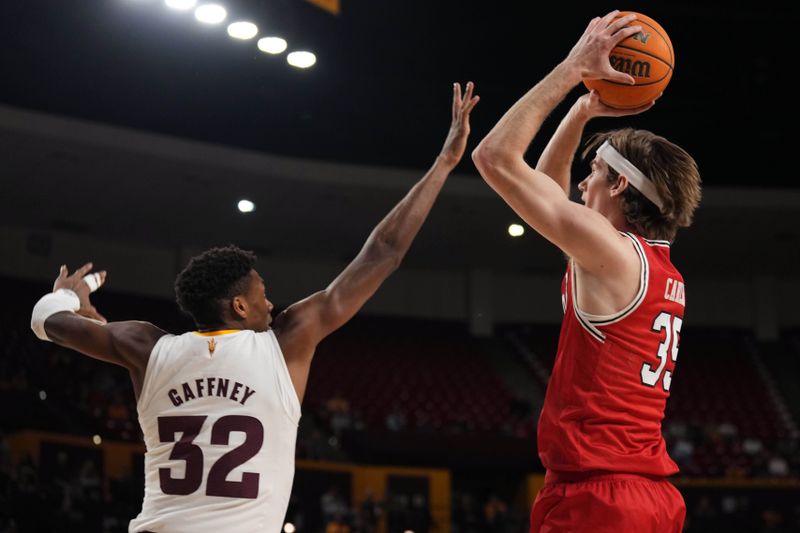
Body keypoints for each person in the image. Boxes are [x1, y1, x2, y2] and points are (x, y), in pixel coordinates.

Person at [30, 82, 479, 533]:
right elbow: (383, 251)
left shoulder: (145, 346)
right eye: (262, 292)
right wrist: (444, 163)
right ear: (240, 305)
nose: (271, 301)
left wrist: (73, 293)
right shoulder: (285, 344)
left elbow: (46, 319)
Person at [472, 11, 701, 533]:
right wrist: (581, 112)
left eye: (594, 173)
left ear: (620, 187)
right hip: (646, 498)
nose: (580, 185)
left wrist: (573, 68)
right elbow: (551, 192)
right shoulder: (652, 266)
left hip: (601, 500)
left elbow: (495, 158)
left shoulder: (614, 254)